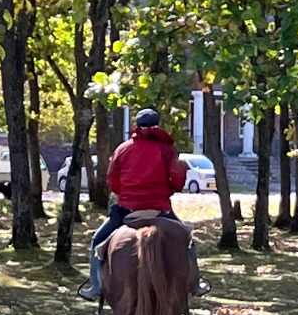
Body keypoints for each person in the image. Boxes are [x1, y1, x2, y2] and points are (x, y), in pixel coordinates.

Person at [78, 108, 213, 303]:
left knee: (97, 242)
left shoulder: (123, 149)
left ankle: (96, 287)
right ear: (157, 125)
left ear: (136, 126)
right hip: (160, 210)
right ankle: (195, 284)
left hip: (126, 209)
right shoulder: (167, 150)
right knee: (188, 242)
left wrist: (126, 192)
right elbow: (176, 181)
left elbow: (113, 181)